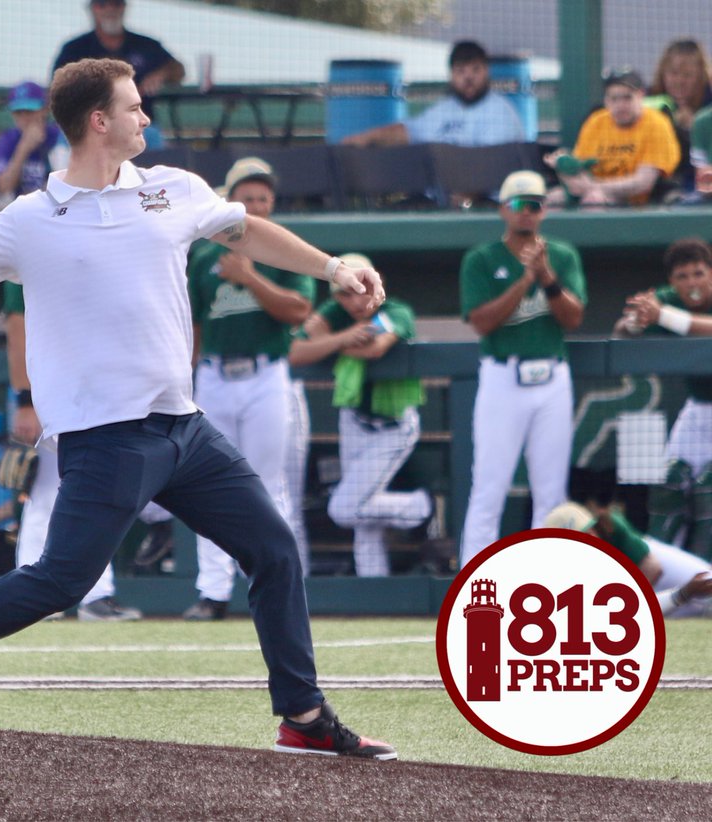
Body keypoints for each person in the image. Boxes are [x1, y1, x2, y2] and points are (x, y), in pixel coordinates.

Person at [0, 57, 396, 760]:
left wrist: (331, 267)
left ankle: (303, 715)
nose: (148, 117)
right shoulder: (34, 218)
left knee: (272, 549)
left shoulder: (173, 189)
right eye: (135, 107)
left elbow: (245, 232)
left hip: (185, 431)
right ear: (99, 121)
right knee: (60, 581)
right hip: (105, 441)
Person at [182, 157, 315, 620]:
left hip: (265, 373)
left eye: (263, 197)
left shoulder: (282, 251)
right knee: (206, 484)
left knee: (267, 481)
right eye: (247, 196)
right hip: (215, 374)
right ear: (229, 199)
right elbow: (192, 324)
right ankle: (212, 591)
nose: (256, 205)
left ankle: (276, 585)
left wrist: (250, 277)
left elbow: (299, 310)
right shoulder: (202, 255)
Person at [457, 171, 586, 568]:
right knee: (489, 488)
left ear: (544, 211)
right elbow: (481, 321)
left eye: (534, 205)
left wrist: (546, 277)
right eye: (518, 205)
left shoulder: (561, 255)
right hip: (502, 376)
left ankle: (546, 584)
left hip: (551, 376)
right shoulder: (482, 258)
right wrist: (525, 279)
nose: (526, 213)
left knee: (550, 491)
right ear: (503, 209)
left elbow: (573, 317)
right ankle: (474, 583)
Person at [4, 282, 142, 621]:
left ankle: (95, 595)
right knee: (45, 492)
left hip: (96, 383)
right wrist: (25, 399)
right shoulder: (31, 241)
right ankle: (30, 598)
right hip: (51, 386)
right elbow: (16, 327)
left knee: (97, 487)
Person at [289, 255, 431, 578]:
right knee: (364, 524)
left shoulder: (395, 309)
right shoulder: (333, 313)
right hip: (354, 419)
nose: (354, 300)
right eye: (344, 293)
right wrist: (342, 339)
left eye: (360, 290)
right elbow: (296, 352)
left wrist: (327, 345)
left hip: (394, 422)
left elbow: (374, 348)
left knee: (345, 508)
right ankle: (374, 588)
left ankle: (419, 508)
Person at [615, 238, 712, 558]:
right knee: (669, 484)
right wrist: (636, 320)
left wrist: (664, 317)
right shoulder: (667, 298)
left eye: (699, 273)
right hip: (698, 408)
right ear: (672, 281)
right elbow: (621, 332)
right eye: (683, 276)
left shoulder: (668, 309)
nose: (692, 283)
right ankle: (667, 574)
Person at [543, 470, 712, 618]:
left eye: (589, 531)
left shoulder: (610, 526)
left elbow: (653, 570)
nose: (591, 538)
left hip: (672, 578)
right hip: (674, 593)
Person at [341, 40, 523, 148]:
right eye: (460, 71)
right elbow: (409, 131)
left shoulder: (500, 112)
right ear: (451, 75)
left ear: (487, 71)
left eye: (475, 70)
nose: (468, 78)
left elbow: (490, 166)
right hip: (441, 199)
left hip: (487, 204)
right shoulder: (443, 110)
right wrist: (368, 137)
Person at [53, 0, 184, 149]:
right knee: (66, 141)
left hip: (140, 127)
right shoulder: (74, 49)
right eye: (102, 4)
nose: (110, 9)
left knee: (156, 143)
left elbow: (179, 69)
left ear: (124, 7)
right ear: (92, 9)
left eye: (116, 3)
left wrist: (162, 74)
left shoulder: (146, 45)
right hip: (90, 128)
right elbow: (58, 88)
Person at [546, 69, 680, 207]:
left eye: (627, 98)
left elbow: (643, 182)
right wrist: (563, 168)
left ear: (641, 95)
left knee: (594, 200)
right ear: (606, 100)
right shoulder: (596, 121)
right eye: (613, 99)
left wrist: (593, 187)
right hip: (593, 190)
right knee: (550, 199)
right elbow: (580, 168)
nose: (620, 106)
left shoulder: (657, 123)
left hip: (637, 203)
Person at [646, 38, 712, 190]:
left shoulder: (708, 109)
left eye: (687, 75)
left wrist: (694, 128)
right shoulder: (649, 100)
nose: (679, 81)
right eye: (673, 73)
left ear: (701, 77)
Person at [0, 81, 63, 201]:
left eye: (30, 111)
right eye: (18, 112)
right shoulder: (8, 139)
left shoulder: (59, 136)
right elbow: (4, 187)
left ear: (44, 110)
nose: (24, 118)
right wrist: (23, 148)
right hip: (23, 209)